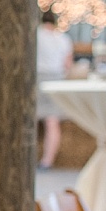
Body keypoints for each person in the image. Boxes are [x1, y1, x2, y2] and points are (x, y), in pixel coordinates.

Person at [36, 10, 74, 169]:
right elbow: (68, 65)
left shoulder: (36, 35)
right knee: (52, 122)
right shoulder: (64, 39)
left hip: (37, 78)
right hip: (56, 80)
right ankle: (47, 161)